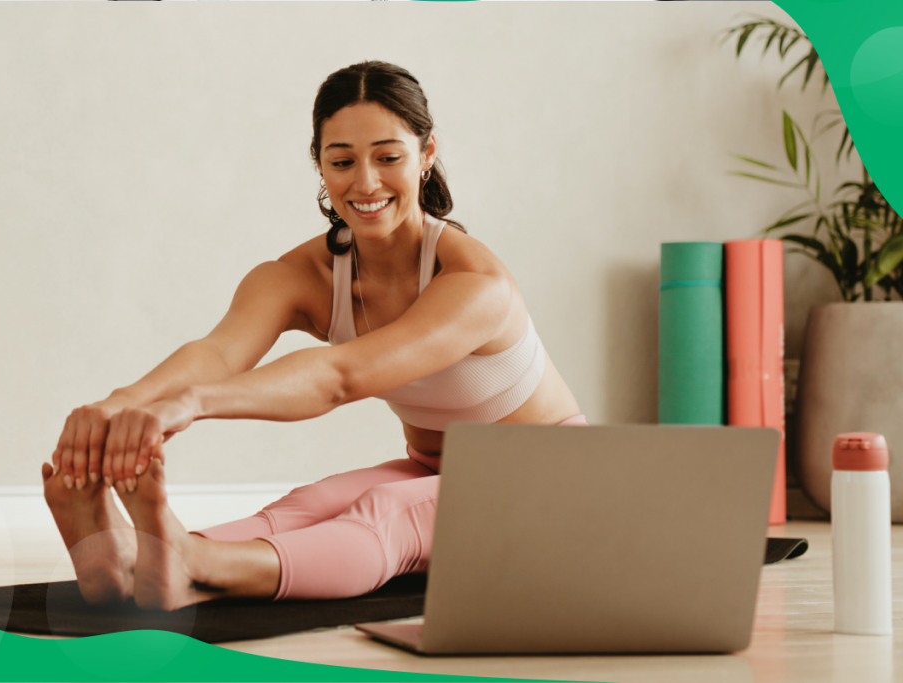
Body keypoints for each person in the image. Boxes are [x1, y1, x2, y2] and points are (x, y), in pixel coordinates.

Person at [42, 60, 585, 611]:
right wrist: (117, 407)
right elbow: (219, 352)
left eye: (388, 157)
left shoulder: (474, 284)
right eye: (342, 161)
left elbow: (338, 377)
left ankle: (192, 564)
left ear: (426, 155)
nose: (366, 182)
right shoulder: (303, 275)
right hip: (436, 469)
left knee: (385, 512)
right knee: (310, 504)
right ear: (320, 167)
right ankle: (128, 560)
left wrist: (188, 406)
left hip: (547, 480)